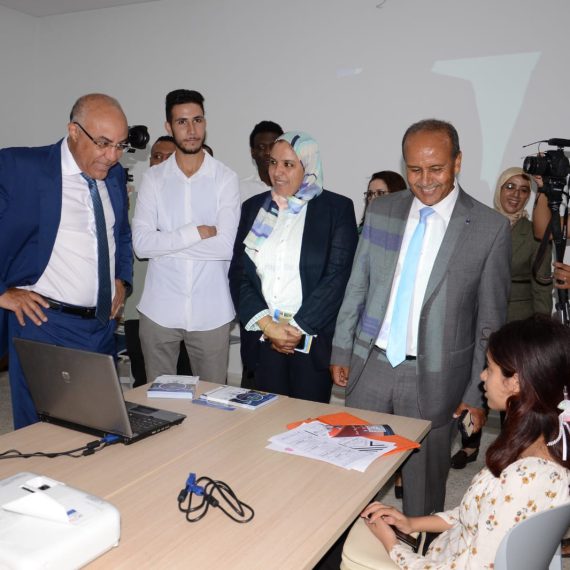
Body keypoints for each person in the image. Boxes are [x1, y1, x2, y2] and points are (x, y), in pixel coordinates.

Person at [330, 119, 511, 517]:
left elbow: (490, 322)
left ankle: (418, 552)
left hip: (434, 376)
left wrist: (474, 393)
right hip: (371, 365)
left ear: (457, 162)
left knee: (424, 479)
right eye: (415, 170)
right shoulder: (383, 210)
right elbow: (358, 285)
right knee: (354, 473)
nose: (425, 180)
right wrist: (342, 348)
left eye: (436, 169)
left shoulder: (489, 228)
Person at [360, 315, 570, 568]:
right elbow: (479, 513)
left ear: (514, 382)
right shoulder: (540, 441)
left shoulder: (527, 478)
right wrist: (412, 523)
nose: (482, 376)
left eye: (490, 369)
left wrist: (391, 544)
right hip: (449, 548)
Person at [0, 93, 133, 429]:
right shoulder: (21, 169)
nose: (112, 156)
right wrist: (2, 292)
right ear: (74, 131)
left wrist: (122, 280)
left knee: (100, 428)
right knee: (41, 434)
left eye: (120, 145)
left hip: (102, 328)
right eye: (103, 143)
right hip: (45, 325)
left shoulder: (113, 175)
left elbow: (121, 236)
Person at [229, 131, 358, 403]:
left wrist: (294, 329)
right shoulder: (254, 208)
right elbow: (240, 274)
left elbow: (337, 277)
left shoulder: (336, 209)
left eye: (288, 164)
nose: (277, 172)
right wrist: (268, 326)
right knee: (262, 426)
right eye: (273, 162)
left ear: (308, 166)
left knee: (307, 428)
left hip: (310, 341)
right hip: (264, 338)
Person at [132, 89, 240, 384]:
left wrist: (165, 243)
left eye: (197, 120)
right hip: (159, 310)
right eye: (182, 122)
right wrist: (196, 232)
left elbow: (226, 247)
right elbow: (141, 245)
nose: (191, 130)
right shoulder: (153, 179)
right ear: (168, 127)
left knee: (212, 407)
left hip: (212, 311)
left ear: (205, 122)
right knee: (160, 404)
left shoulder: (225, 178)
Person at [452, 167, 553, 469]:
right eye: (510, 186)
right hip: (478, 316)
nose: (516, 194)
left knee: (510, 392)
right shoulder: (482, 224)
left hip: (517, 320)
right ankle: (470, 445)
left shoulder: (536, 231)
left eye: (523, 190)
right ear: (499, 189)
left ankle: (511, 449)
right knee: (473, 380)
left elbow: (542, 283)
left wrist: (539, 328)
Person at [240, 120, 284, 203]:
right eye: (261, 147)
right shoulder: (240, 189)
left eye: (272, 146)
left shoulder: (298, 189)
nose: (267, 153)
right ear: (253, 152)